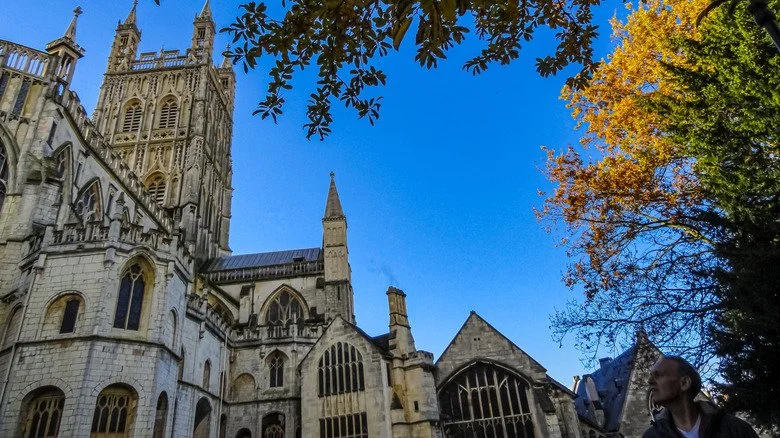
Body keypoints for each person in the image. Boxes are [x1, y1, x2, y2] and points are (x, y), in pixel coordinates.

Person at [643, 356, 759, 438]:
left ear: (684, 383)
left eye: (658, 375)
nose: (649, 381)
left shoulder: (734, 429)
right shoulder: (651, 436)